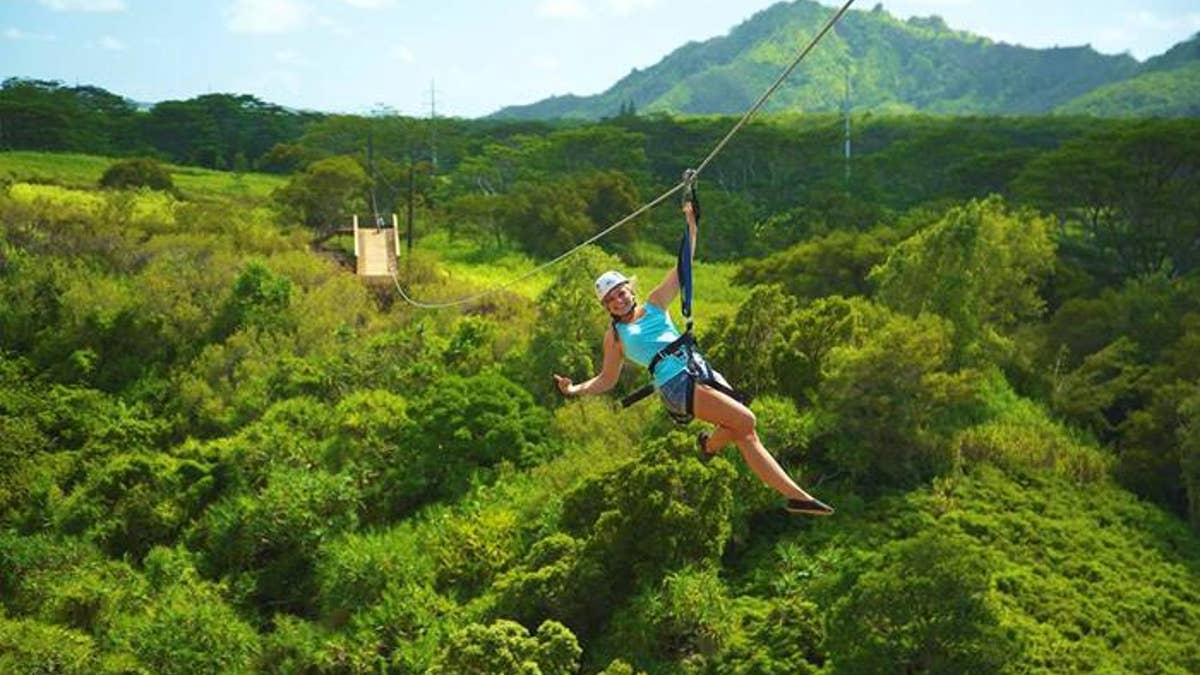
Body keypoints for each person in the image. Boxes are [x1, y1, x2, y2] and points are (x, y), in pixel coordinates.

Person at [552, 201, 833, 516]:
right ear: (607, 307)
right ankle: (710, 447)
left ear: (630, 290)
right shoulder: (615, 337)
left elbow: (682, 268)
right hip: (674, 383)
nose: (618, 300)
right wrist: (574, 389)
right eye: (611, 299)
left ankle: (795, 497)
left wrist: (691, 223)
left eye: (621, 292)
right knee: (746, 420)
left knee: (745, 432)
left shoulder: (655, 304)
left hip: (698, 368)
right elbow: (607, 379)